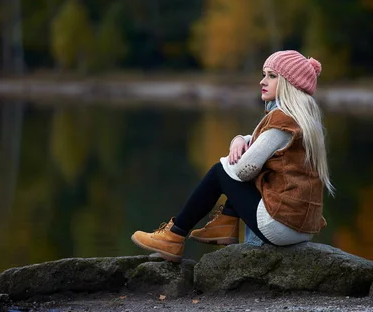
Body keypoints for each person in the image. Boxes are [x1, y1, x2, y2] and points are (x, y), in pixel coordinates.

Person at [131, 50, 335, 262]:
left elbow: (243, 170)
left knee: (221, 171)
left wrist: (232, 155)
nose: (262, 81)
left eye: (272, 76)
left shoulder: (282, 120)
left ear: (289, 84)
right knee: (232, 170)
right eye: (264, 74)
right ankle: (225, 223)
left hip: (281, 225)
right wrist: (239, 139)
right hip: (301, 226)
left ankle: (174, 236)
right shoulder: (304, 120)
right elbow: (265, 144)